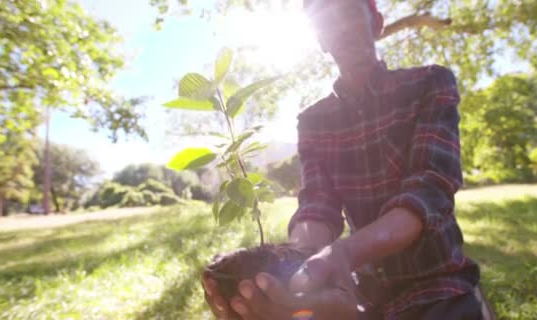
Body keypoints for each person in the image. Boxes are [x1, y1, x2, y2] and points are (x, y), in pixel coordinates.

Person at [203, 0, 487, 318]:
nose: (341, 28)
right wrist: (298, 260)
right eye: (327, 21)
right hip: (362, 294)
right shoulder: (314, 120)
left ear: (376, 23)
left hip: (440, 285)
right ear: (321, 40)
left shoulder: (428, 84)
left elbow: (428, 191)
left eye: (351, 13)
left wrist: (343, 254)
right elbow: (318, 206)